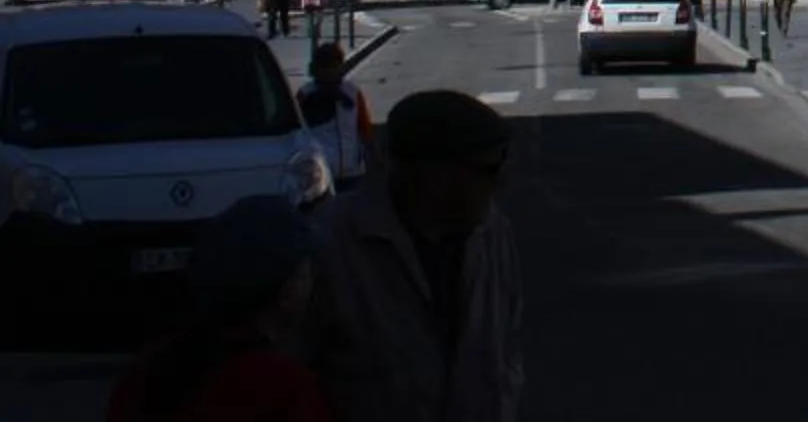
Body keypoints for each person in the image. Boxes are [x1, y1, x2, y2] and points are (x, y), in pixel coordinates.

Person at [304, 89, 524, 422]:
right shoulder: (332, 245)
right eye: (489, 169)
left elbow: (505, 342)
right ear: (438, 180)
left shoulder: (491, 232)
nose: (502, 183)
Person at [107, 195, 334, 422]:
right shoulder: (286, 390)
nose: (315, 277)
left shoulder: (143, 378)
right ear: (290, 292)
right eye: (308, 269)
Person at [296, 42, 374, 190]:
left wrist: (372, 158)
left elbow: (364, 129)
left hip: (352, 171)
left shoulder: (351, 92)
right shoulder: (305, 95)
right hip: (322, 174)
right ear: (316, 69)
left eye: (334, 66)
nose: (331, 72)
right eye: (326, 67)